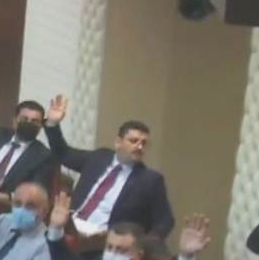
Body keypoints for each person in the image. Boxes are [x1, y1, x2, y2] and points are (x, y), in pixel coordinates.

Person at [43, 94, 174, 239]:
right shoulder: (100, 157)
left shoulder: (149, 180)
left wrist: (143, 244)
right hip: (70, 226)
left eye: (144, 143)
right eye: (134, 141)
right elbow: (64, 154)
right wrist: (52, 124)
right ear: (118, 142)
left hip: (103, 239)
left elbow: (165, 221)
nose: (139, 146)